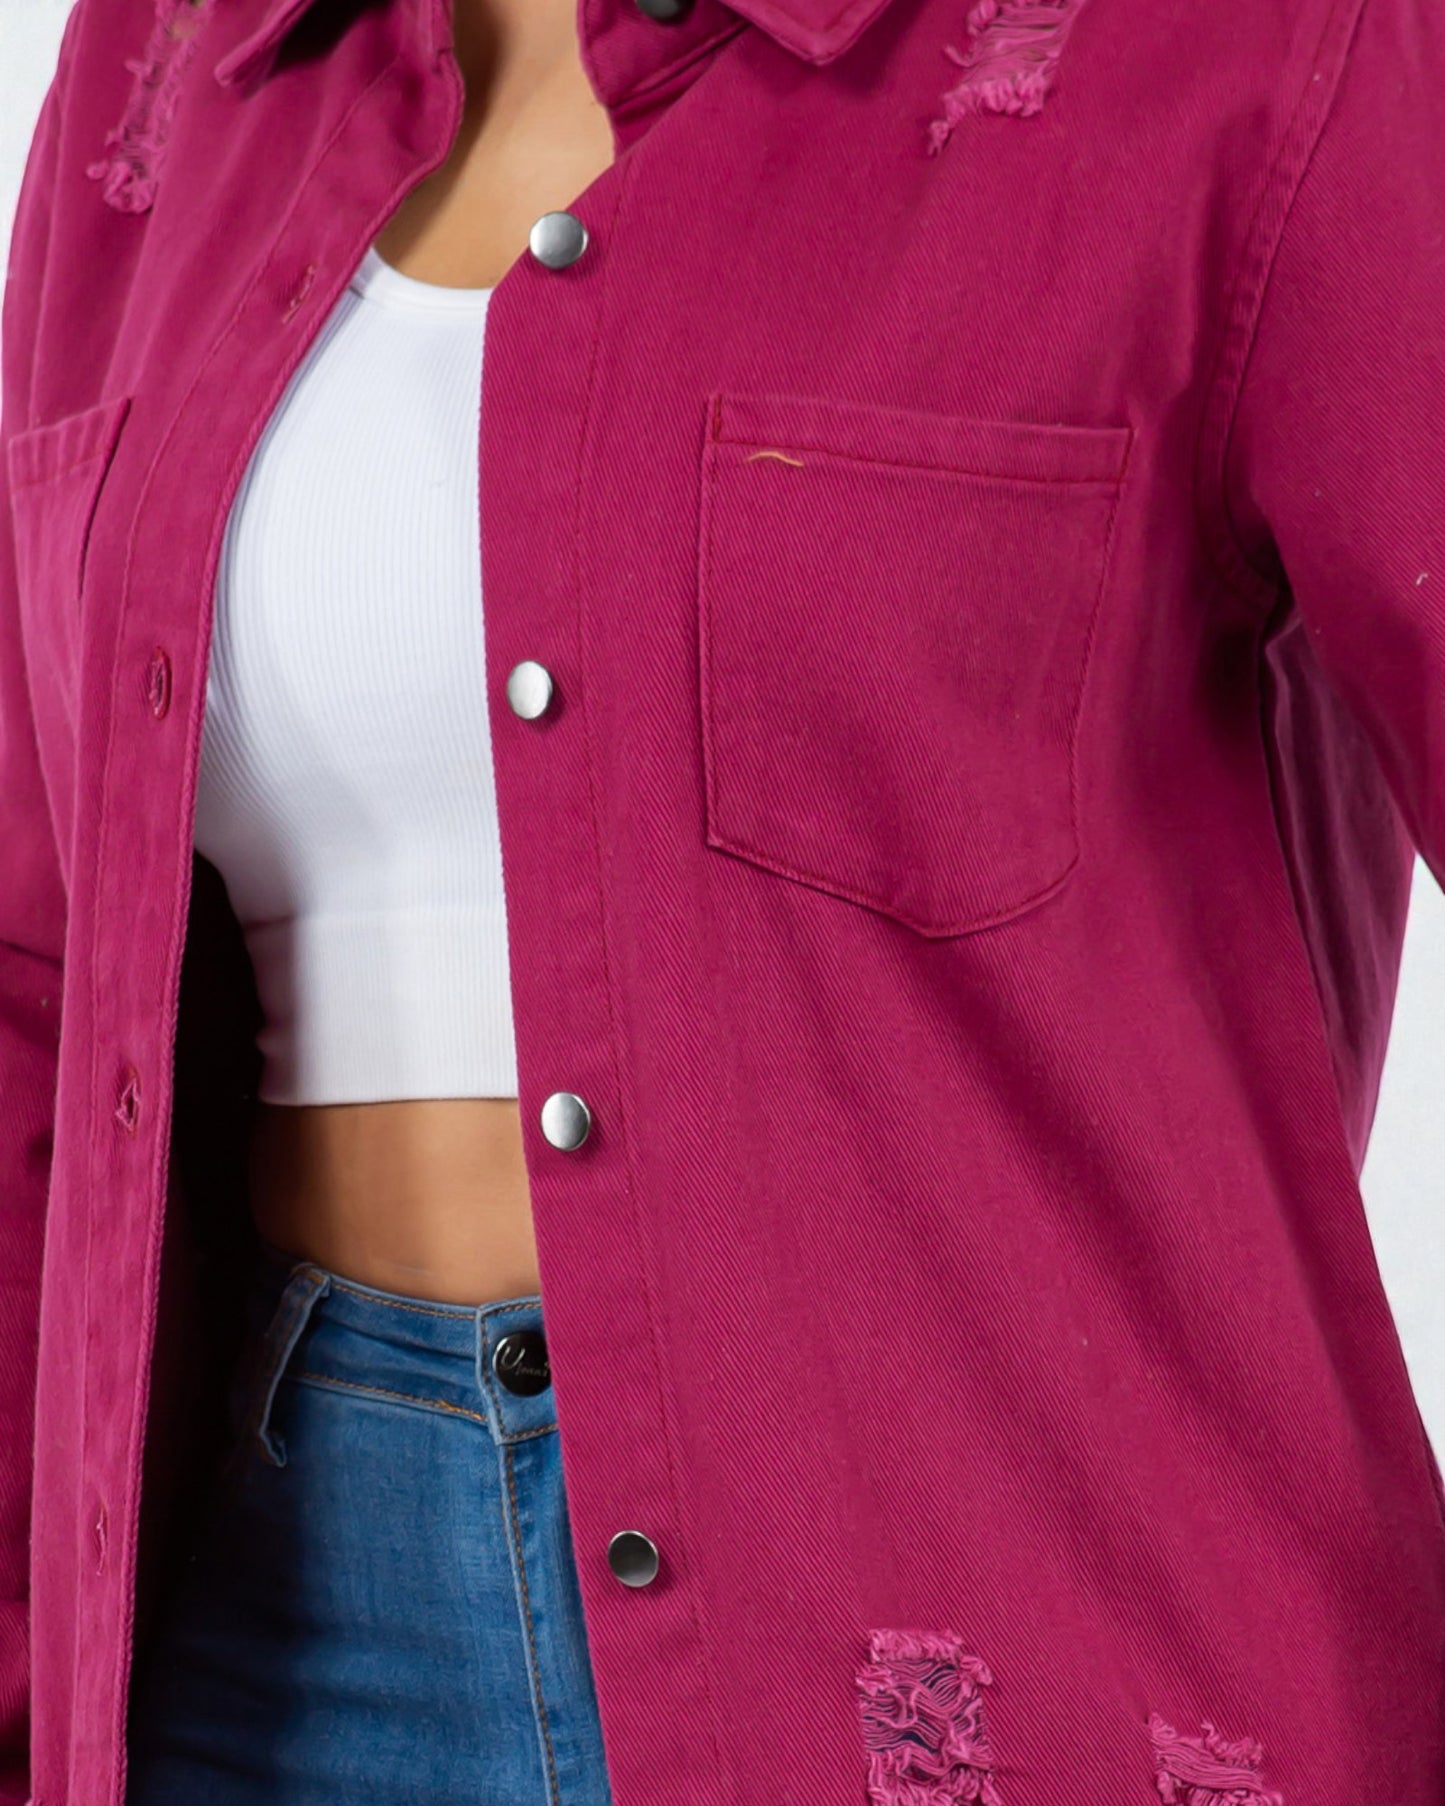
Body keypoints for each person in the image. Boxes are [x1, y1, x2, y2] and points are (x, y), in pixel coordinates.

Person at [3, 0, 1444, 1798]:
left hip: (988, 1655)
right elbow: (35, 979)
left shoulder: (1239, 46)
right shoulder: (161, 70)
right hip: (271, 1638)